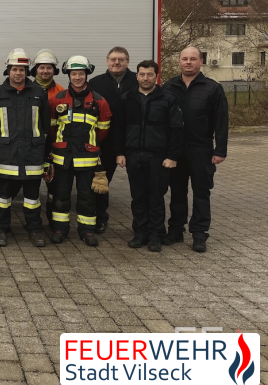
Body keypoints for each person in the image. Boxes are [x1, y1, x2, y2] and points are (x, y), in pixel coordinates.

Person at [164, 46, 229, 252]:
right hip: (175, 150)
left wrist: (220, 150)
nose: (188, 62)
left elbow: (221, 121)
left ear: (201, 62)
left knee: (201, 192)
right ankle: (175, 230)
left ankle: (200, 234)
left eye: (193, 59)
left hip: (201, 149)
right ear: (179, 62)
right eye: (185, 59)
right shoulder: (168, 86)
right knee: (177, 191)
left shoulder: (212, 88)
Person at [115, 60, 183, 252]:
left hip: (158, 157)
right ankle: (140, 233)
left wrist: (172, 156)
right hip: (134, 155)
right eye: (142, 74)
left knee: (156, 197)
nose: (146, 78)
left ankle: (156, 234)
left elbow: (177, 129)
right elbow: (119, 128)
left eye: (150, 74)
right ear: (137, 76)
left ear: (156, 76)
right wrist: (119, 152)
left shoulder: (168, 99)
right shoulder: (127, 98)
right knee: (138, 197)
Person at [0, 49, 50, 247]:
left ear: (26, 71)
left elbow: (45, 126)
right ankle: (0, 229)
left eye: (22, 70)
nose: (18, 73)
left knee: (32, 198)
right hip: (5, 155)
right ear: (8, 71)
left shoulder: (39, 94)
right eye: (14, 69)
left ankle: (34, 229)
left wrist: (45, 154)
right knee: (1, 197)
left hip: (32, 155)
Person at [48, 55, 112, 246]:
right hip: (62, 158)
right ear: (68, 75)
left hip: (87, 158)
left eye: (81, 73)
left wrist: (89, 146)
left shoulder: (99, 101)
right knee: (61, 195)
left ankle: (87, 231)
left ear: (87, 74)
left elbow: (103, 130)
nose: (77, 77)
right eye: (74, 73)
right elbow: (51, 128)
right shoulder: (56, 100)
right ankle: (60, 229)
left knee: (87, 196)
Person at [88, 46, 138, 233]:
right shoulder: (95, 83)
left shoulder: (138, 80)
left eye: (121, 59)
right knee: (101, 183)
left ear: (128, 61)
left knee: (139, 185)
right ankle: (100, 218)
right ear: (107, 61)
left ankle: (141, 224)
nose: (117, 63)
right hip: (105, 142)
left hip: (133, 141)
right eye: (113, 59)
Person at [30, 49, 65, 230]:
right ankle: (33, 222)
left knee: (54, 188)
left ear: (54, 70)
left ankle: (55, 224)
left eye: (49, 68)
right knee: (32, 188)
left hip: (53, 147)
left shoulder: (61, 93)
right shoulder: (27, 89)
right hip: (33, 147)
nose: (45, 71)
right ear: (35, 69)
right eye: (41, 67)